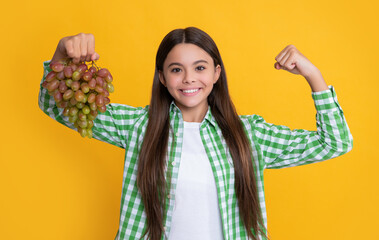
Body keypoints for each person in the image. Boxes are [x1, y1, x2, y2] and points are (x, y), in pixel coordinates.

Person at [38, 27, 353, 240]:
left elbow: (335, 143)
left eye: (200, 68)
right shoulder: (139, 126)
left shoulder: (249, 135)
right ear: (162, 77)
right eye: (176, 69)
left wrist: (313, 75)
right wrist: (62, 53)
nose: (189, 78)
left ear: (216, 73)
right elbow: (53, 105)